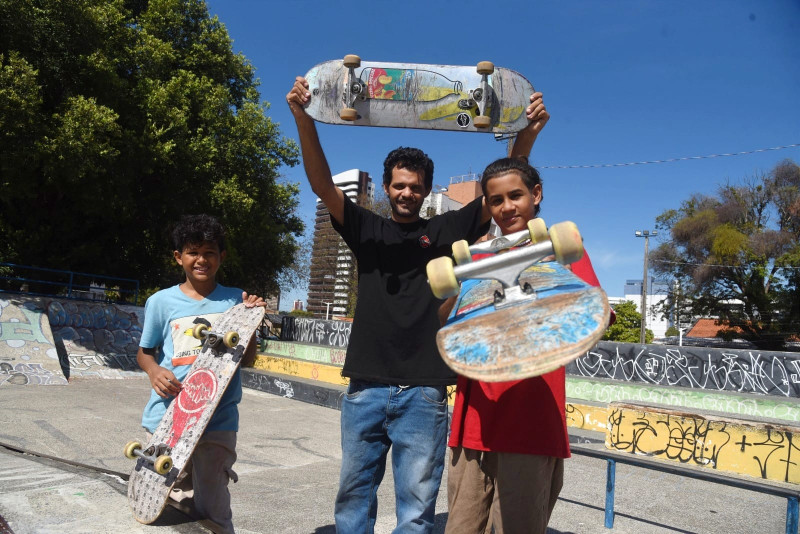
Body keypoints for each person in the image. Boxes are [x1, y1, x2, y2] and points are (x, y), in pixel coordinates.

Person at [286, 76, 549, 533]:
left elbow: (503, 183)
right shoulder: (366, 229)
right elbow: (322, 184)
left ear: (427, 191)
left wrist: (527, 133)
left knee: (416, 508)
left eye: (416, 187)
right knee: (353, 500)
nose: (407, 193)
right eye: (399, 185)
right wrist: (303, 119)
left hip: (425, 393)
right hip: (365, 388)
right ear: (386, 188)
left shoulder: (449, 229)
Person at [442, 158, 614, 534]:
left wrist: (551, 269)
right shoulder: (475, 257)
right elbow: (447, 324)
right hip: (474, 422)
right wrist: (463, 282)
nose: (506, 207)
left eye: (515, 196)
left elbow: (597, 317)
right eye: (496, 200)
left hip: (531, 424)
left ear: (536, 195)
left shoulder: (559, 249)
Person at [136, 214, 264, 534]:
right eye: (193, 252)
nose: (201, 259)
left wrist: (251, 323)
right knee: (154, 496)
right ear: (179, 257)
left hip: (218, 419)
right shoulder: (160, 302)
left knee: (214, 507)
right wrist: (154, 371)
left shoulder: (237, 300)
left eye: (209, 252)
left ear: (222, 256)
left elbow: (245, 360)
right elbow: (145, 351)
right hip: (167, 418)